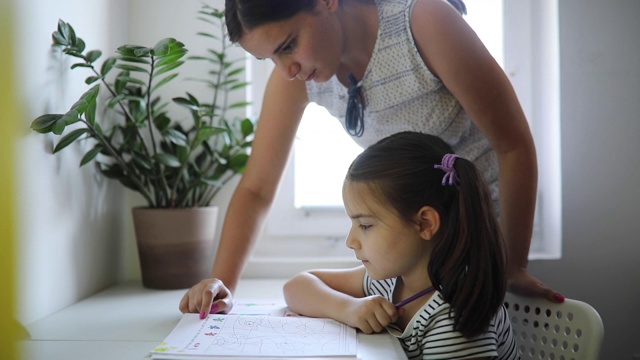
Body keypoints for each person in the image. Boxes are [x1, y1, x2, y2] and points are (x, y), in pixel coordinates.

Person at [179, 0, 563, 317]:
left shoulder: (423, 21)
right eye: (271, 59)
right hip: (417, 257)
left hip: (479, 253)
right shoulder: (296, 78)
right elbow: (257, 189)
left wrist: (511, 265)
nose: (287, 71)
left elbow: (513, 146)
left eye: (288, 45)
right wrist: (221, 284)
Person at [284, 131, 519, 359]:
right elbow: (297, 286)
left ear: (424, 224)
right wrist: (348, 309)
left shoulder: (454, 321)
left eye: (365, 225)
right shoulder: (392, 280)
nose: (350, 241)